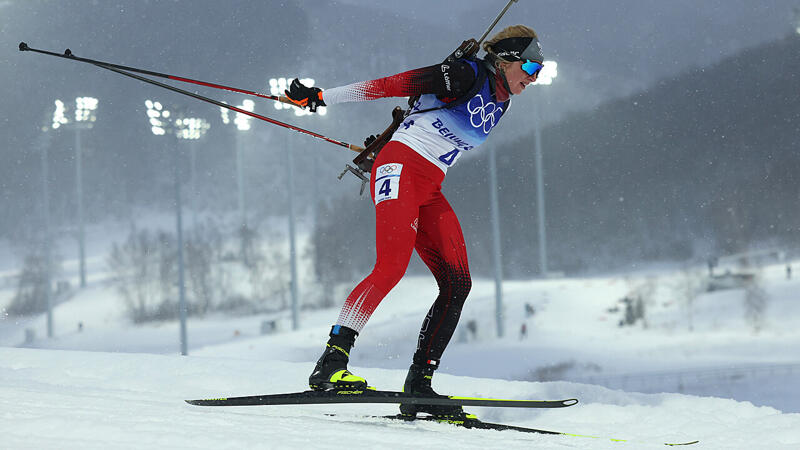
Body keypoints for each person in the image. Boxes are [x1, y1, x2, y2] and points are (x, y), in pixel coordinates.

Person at [284, 25, 544, 418]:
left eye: (539, 70)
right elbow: (390, 85)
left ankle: (420, 383)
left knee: (458, 283)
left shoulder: (502, 102)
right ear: (505, 60)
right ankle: (331, 365)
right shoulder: (466, 74)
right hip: (399, 168)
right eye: (529, 65)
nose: (534, 76)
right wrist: (321, 97)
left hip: (429, 185)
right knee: (391, 267)